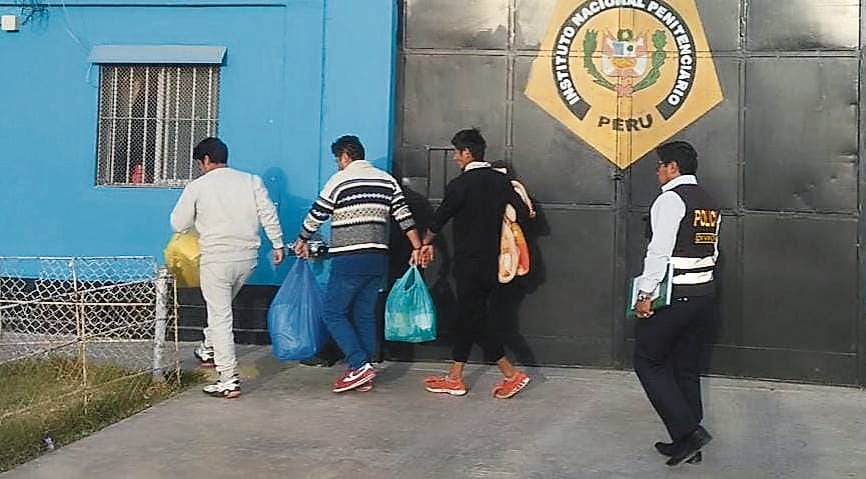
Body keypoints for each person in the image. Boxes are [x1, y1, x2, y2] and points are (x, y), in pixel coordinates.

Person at [294, 135, 423, 393]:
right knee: (364, 313)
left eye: (337, 159)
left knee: (333, 313)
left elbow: (318, 213)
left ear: (345, 156)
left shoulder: (340, 180)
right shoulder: (387, 180)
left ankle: (359, 364)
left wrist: (302, 239)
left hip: (348, 258)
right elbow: (403, 216)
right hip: (377, 258)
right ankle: (365, 372)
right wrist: (418, 247)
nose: (337, 165)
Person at [420, 128, 531, 399]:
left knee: (475, 320)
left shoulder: (460, 185)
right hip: (493, 263)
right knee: (469, 318)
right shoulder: (500, 181)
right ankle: (455, 377)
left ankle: (511, 374)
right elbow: (523, 212)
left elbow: (440, 218)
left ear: (466, 153)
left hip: (468, 263)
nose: (456, 159)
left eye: (457, 154)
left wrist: (425, 243)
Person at [170, 137, 285, 399]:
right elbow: (268, 213)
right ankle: (208, 348)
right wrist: (278, 244)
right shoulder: (251, 181)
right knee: (221, 308)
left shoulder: (198, 187)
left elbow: (179, 224)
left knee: (220, 315)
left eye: (200, 163)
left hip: (216, 260)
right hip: (247, 259)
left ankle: (227, 379)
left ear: (206, 160)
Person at [632, 141, 720, 466]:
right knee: (686, 368)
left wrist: (645, 295)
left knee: (647, 361)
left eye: (659, 166)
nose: (657, 172)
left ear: (672, 167)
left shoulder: (670, 200)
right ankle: (688, 444)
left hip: (675, 295)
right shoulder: (709, 201)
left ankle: (689, 433)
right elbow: (712, 251)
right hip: (704, 295)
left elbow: (659, 251)